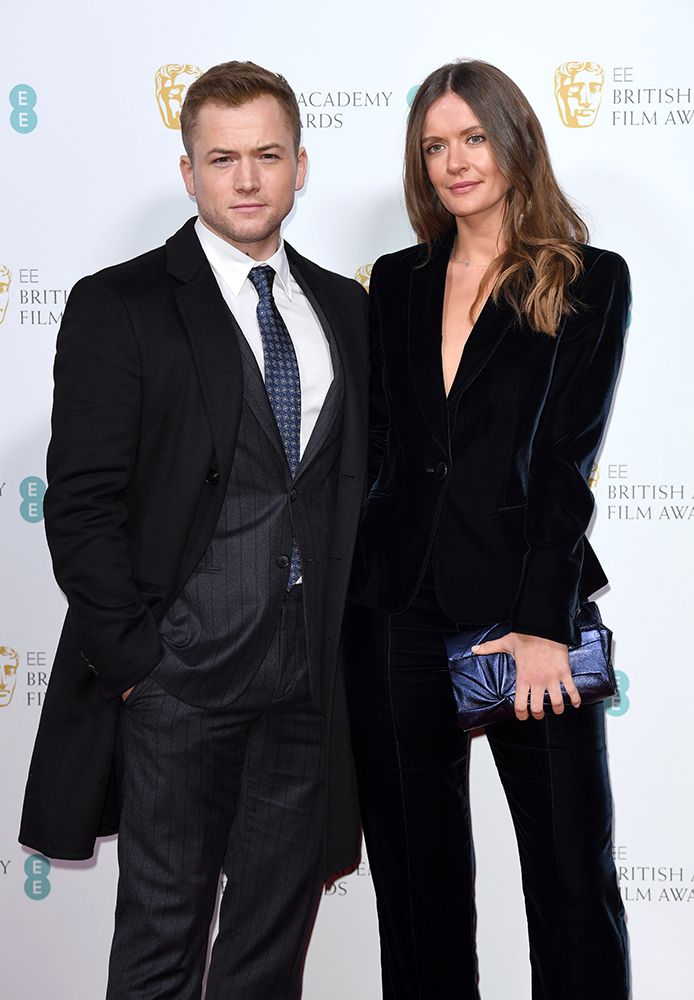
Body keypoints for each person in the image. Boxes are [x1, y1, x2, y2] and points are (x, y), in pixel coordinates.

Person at [20, 60, 369, 1000]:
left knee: (270, 947)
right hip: (178, 680)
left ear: (302, 164)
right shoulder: (121, 303)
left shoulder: (347, 308)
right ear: (188, 173)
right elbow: (81, 503)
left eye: (266, 155)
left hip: (306, 681)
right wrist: (139, 660)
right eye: (222, 158)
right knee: (162, 940)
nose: (246, 179)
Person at [345, 59, 630, 1000]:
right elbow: (384, 446)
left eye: (473, 137)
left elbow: (565, 462)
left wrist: (548, 623)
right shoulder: (394, 281)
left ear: (514, 142)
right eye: (435, 145)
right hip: (395, 610)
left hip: (524, 612)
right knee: (417, 889)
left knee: (568, 879)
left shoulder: (588, 279)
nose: (455, 161)